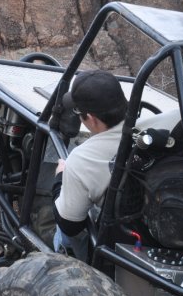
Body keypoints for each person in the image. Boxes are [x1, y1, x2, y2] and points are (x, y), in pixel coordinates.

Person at [52, 70, 129, 259]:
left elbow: (70, 224)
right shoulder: (159, 125)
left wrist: (61, 177)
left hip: (113, 249)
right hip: (150, 228)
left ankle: (62, 261)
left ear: (91, 119)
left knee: (62, 230)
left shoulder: (81, 159)